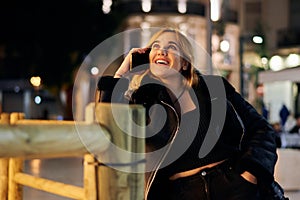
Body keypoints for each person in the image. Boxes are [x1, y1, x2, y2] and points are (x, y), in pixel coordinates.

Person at [109, 28, 287, 200]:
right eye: (155, 46)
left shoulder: (214, 88)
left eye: (172, 47)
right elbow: (107, 118)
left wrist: (251, 173)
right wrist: (122, 72)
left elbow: (261, 129)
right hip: (183, 193)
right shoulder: (143, 100)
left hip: (235, 187)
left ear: (185, 63)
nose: (162, 51)